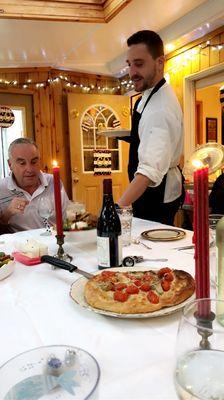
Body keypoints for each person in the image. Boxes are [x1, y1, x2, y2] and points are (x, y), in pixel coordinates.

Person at [117, 30, 184, 225]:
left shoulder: (160, 108)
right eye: (129, 65)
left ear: (160, 62)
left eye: (139, 64)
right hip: (151, 191)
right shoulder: (150, 93)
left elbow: (148, 172)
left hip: (156, 194)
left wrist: (116, 208)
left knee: (152, 249)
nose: (132, 73)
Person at [0, 137, 69, 232]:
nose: (30, 169)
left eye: (34, 162)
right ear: (10, 164)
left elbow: (68, 218)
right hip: (20, 245)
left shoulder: (53, 182)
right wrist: (7, 214)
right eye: (22, 163)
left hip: (54, 241)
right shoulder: (1, 188)